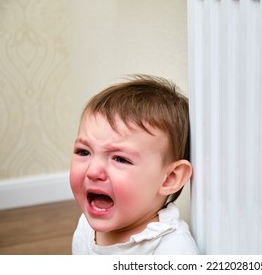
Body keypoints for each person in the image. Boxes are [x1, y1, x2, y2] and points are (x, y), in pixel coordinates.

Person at [70, 75, 199, 254]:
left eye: (120, 159)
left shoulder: (171, 250)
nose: (93, 171)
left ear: (169, 178)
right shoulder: (86, 226)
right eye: (84, 152)